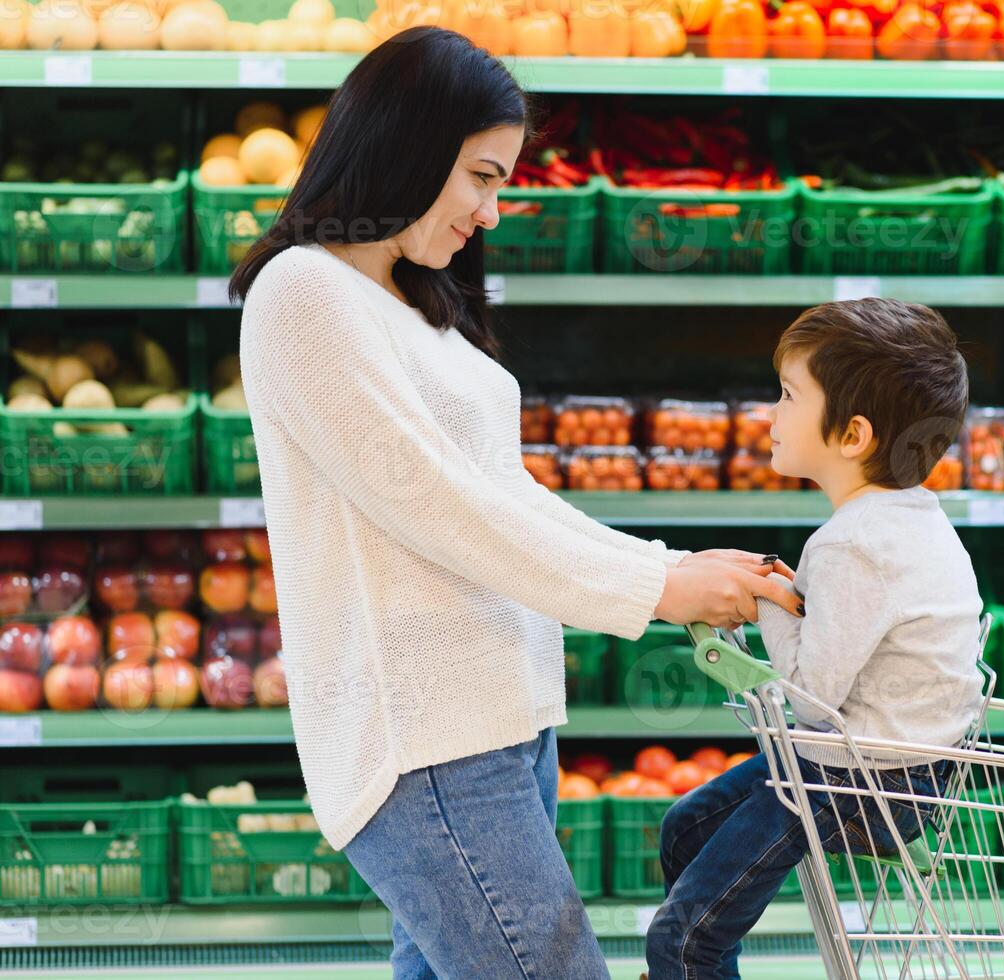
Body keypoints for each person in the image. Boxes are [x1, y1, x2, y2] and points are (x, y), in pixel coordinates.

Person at [232, 27, 800, 980]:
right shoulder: (304, 295)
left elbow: (505, 494)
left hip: (501, 723)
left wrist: (673, 565)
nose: (492, 212)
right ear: (409, 145)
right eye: (481, 177)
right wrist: (659, 585)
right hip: (429, 740)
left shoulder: (411, 305)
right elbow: (444, 508)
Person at [645, 298, 988, 979]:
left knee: (682, 944)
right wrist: (785, 590)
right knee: (686, 829)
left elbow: (809, 699)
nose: (770, 413)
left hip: (863, 779)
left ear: (853, 434)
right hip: (888, 767)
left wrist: (773, 596)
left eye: (787, 395)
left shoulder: (851, 545)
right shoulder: (912, 516)